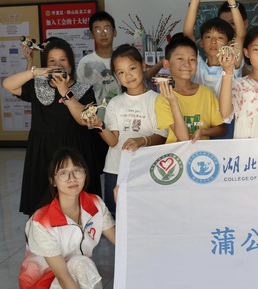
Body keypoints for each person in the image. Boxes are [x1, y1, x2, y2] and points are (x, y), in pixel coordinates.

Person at [0, 148, 115, 289]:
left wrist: (123, 204)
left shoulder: (95, 203)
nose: (72, 178)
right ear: (53, 181)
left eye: (77, 170)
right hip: (42, 287)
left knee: (81, 263)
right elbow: (62, 275)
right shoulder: (41, 222)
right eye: (63, 173)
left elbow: (121, 242)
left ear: (85, 174)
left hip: (75, 273)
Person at [2, 38, 102, 215]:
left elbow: (83, 120)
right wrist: (35, 71)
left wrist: (64, 91)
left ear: (70, 63)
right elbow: (8, 84)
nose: (57, 65)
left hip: (75, 150)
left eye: (63, 60)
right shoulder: (37, 85)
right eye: (52, 61)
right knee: (43, 203)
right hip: (42, 152)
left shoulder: (85, 89)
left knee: (79, 203)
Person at [84, 45, 167, 215]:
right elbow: (113, 141)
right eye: (121, 72)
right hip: (116, 169)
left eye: (132, 68)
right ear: (116, 75)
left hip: (146, 169)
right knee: (116, 216)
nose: (127, 75)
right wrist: (99, 125)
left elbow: (162, 136)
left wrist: (142, 140)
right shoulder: (115, 103)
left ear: (143, 65)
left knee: (146, 215)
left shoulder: (157, 100)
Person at [155, 35, 226, 143]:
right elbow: (184, 138)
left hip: (203, 152)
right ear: (167, 64)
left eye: (192, 59)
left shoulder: (206, 93)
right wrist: (173, 102)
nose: (187, 64)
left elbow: (222, 129)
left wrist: (203, 132)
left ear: (197, 63)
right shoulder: (163, 99)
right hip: (177, 153)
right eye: (180, 58)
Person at [77, 11, 121, 177]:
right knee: (94, 171)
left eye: (107, 29)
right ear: (91, 34)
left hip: (120, 123)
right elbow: (80, 93)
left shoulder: (122, 58)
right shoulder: (85, 62)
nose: (103, 33)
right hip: (94, 125)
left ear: (114, 32)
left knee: (118, 169)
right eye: (98, 30)